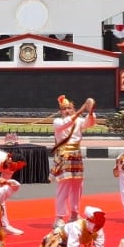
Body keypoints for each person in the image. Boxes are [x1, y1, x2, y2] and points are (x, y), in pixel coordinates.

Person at [51, 95, 95, 227]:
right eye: (64, 109)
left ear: (73, 108)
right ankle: (59, 217)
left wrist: (90, 111)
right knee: (63, 187)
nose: (67, 111)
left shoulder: (79, 121)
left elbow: (90, 123)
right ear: (60, 111)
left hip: (76, 155)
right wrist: (81, 110)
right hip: (64, 155)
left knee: (77, 186)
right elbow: (67, 123)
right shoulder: (58, 122)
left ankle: (74, 214)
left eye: (69, 108)